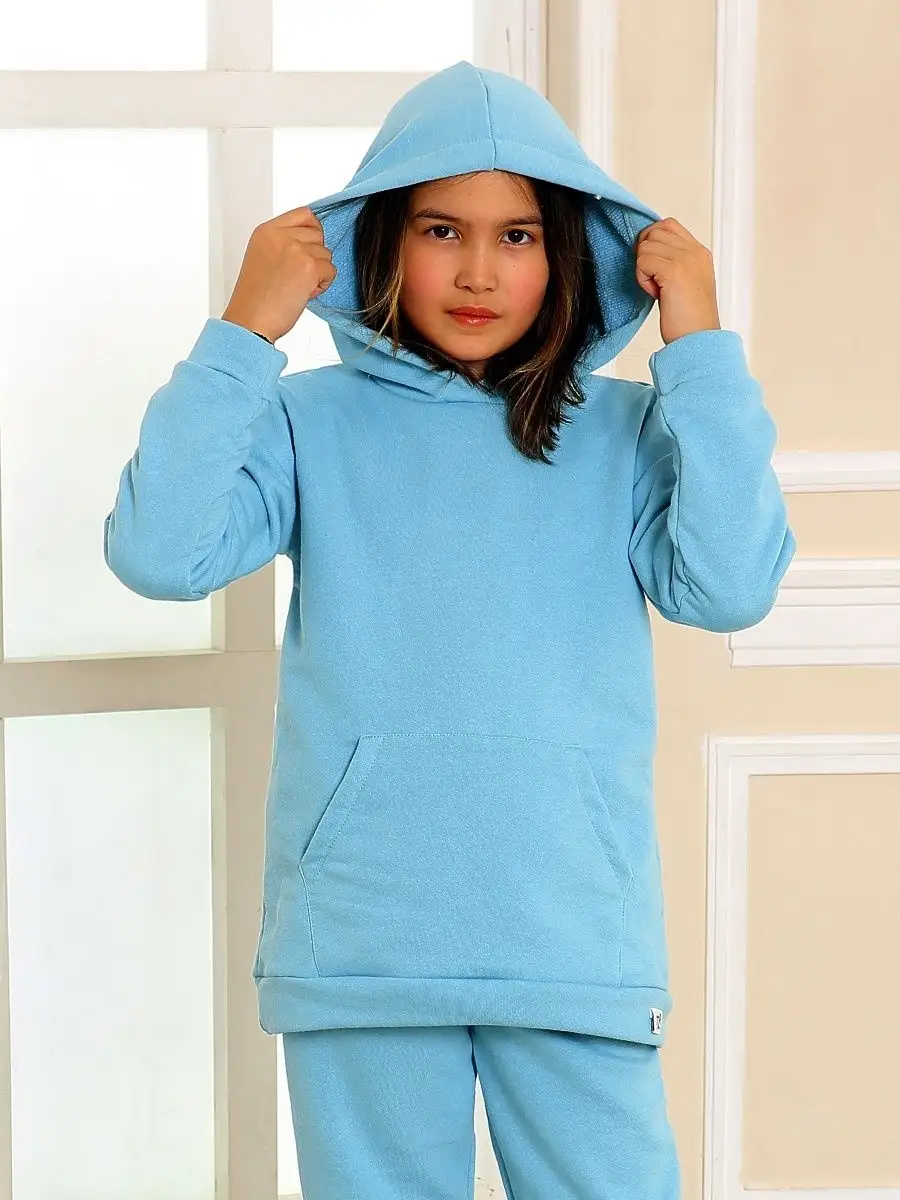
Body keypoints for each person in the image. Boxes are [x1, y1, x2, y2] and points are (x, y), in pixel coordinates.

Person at [103, 59, 795, 1200]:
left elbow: (727, 588)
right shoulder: (305, 420)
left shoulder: (630, 428)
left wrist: (704, 347)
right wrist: (242, 333)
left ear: (566, 254)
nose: (479, 272)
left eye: (517, 236)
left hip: (572, 937)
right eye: (441, 230)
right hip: (363, 943)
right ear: (382, 242)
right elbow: (159, 552)